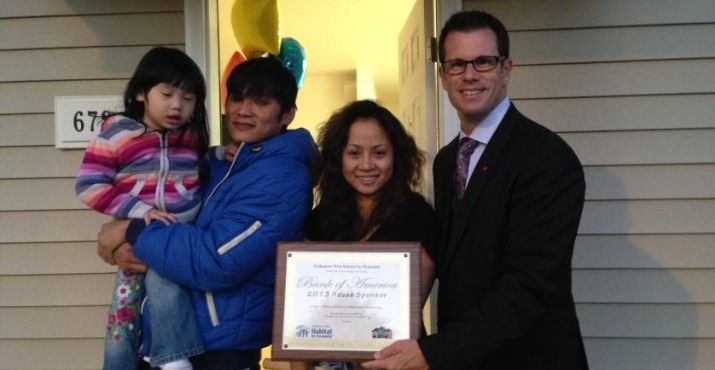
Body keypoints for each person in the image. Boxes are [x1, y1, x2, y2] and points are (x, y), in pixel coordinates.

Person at [362, 10, 589, 370]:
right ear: (442, 75)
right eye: (456, 64)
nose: (469, 75)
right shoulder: (447, 160)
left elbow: (528, 286)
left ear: (506, 69)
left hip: (530, 359)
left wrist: (433, 352)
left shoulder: (547, 158)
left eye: (483, 62)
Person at [95, 56, 316, 370]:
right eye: (237, 98)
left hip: (219, 351)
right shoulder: (222, 162)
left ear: (287, 114)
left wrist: (131, 231)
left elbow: (216, 259)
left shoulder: (281, 178)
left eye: (261, 102)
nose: (243, 110)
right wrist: (121, 238)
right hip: (166, 340)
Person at [76, 46, 210, 370]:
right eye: (167, 94)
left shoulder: (191, 137)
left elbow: (204, 167)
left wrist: (225, 154)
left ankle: (174, 357)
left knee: (165, 281)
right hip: (136, 233)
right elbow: (88, 185)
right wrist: (137, 210)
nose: (177, 105)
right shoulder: (118, 132)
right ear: (140, 93)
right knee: (123, 314)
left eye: (189, 98)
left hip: (177, 231)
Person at [298, 99, 438, 370]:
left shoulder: (418, 217)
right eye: (354, 153)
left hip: (396, 362)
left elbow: (401, 313)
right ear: (339, 157)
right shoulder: (319, 220)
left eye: (379, 153)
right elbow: (304, 311)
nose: (366, 165)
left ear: (397, 156)